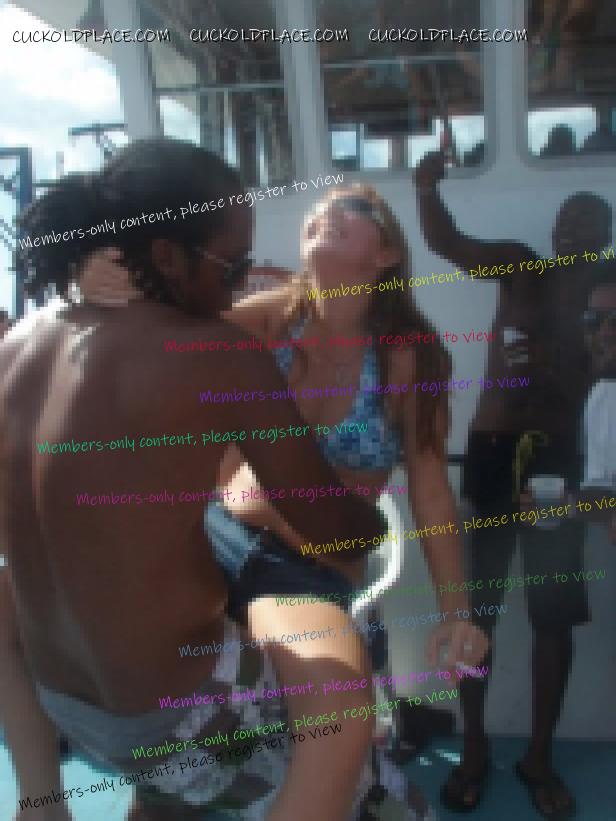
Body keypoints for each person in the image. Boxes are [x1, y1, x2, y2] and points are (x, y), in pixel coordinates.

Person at [0, 137, 389, 821]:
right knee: (374, 774)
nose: (240, 286)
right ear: (166, 255)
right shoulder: (217, 355)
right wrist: (375, 518)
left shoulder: (16, 345)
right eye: (233, 266)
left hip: (59, 701)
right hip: (177, 712)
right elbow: (334, 527)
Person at [79, 179, 491, 818]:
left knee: (330, 729)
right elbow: (157, 331)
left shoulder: (409, 357)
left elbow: (432, 494)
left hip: (306, 570)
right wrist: (96, 277)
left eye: (352, 211)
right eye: (319, 210)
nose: (327, 213)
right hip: (216, 541)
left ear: (386, 254)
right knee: (156, 747)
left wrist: (456, 612)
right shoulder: (269, 319)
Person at [416, 150, 612, 819]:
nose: (570, 230)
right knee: (475, 610)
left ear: (605, 239)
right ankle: (472, 747)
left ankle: (539, 757)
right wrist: (426, 185)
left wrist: (553, 366)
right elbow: (446, 242)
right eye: (565, 220)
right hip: (493, 457)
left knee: (552, 617)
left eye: (586, 223)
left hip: (559, 463)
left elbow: (596, 386)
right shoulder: (521, 267)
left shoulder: (607, 296)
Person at [578, 262, 616, 541]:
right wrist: (564, 503)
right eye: (593, 320)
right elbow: (602, 493)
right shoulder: (602, 396)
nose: (604, 332)